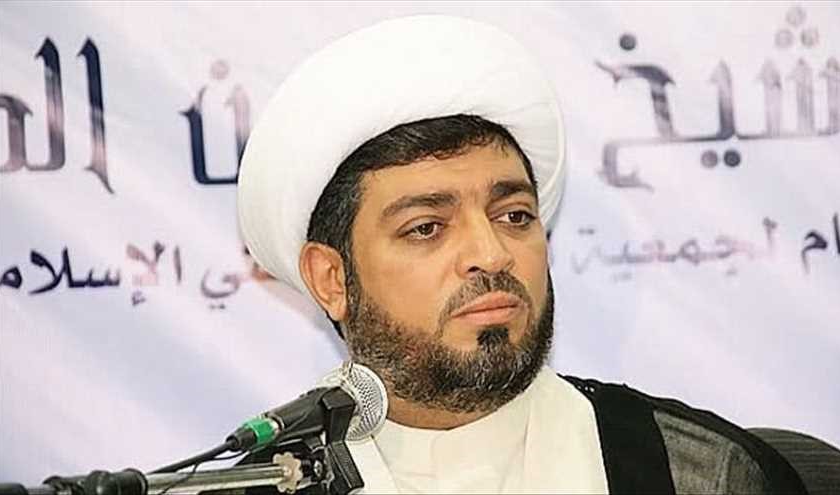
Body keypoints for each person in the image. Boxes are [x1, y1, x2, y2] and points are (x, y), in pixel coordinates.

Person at [236, 15, 805, 494]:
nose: (491, 254)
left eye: (513, 216)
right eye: (427, 227)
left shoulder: (697, 474)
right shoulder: (262, 485)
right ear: (331, 279)